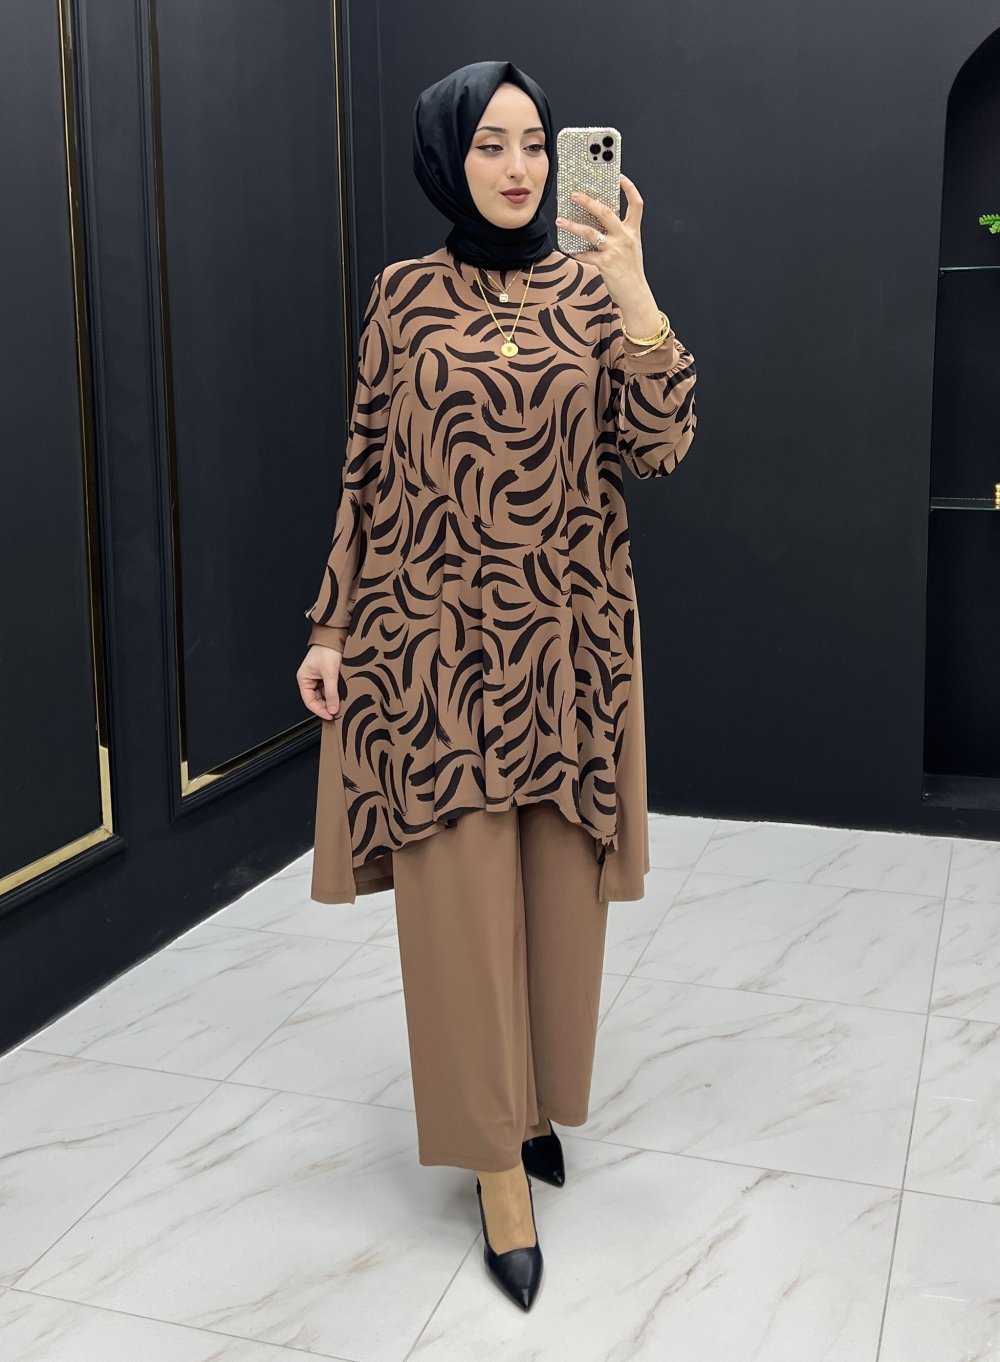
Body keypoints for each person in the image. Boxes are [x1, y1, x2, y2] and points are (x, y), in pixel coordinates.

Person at [295, 60, 697, 1311]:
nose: (518, 167)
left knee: (557, 910)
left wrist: (636, 295)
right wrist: (330, 625)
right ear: (446, 157)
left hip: (570, 653)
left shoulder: (593, 288)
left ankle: (527, 1109)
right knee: (460, 922)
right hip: (431, 658)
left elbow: (661, 446)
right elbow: (366, 468)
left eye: (533, 142)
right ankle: (496, 1172)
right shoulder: (401, 295)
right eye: (489, 144)